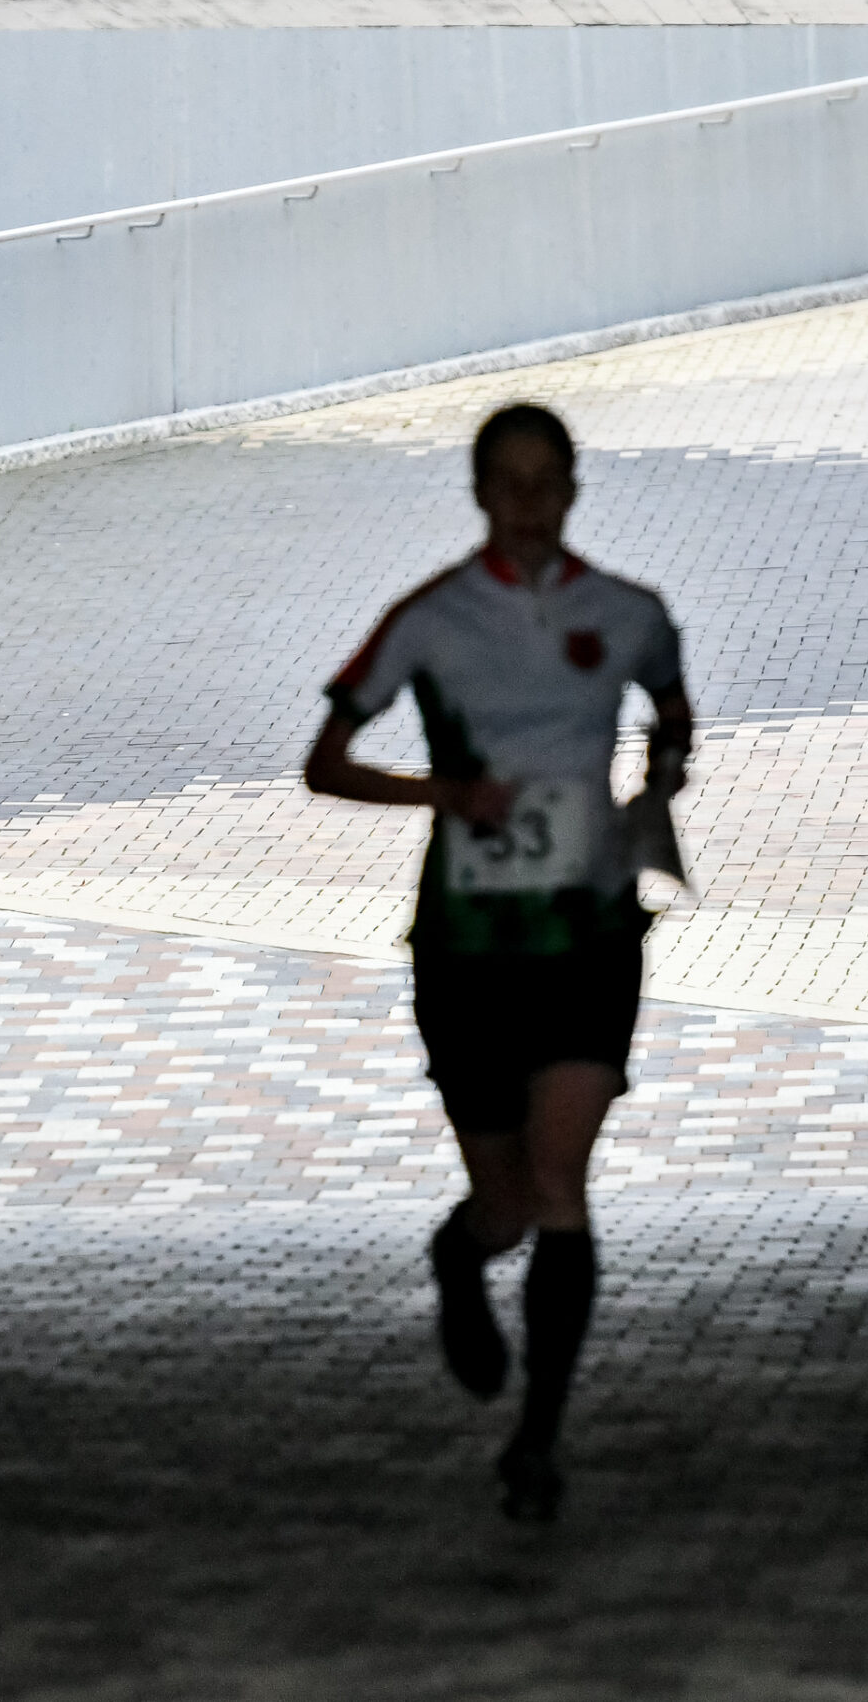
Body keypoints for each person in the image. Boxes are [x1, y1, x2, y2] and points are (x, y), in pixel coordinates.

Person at [304, 403, 693, 1521]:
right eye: (506, 482)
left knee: (562, 1183)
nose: (527, 502)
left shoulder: (629, 613)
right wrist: (444, 793)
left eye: (546, 481)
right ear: (478, 493)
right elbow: (324, 761)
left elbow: (672, 710)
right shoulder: (428, 619)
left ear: (573, 489)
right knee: (509, 1202)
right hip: (468, 946)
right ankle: (460, 1257)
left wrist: (658, 779)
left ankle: (538, 1439)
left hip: (587, 933)